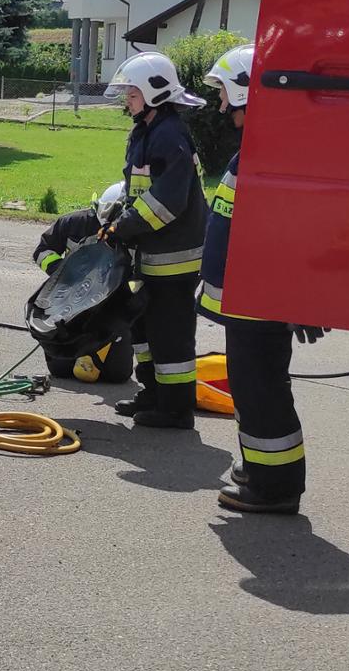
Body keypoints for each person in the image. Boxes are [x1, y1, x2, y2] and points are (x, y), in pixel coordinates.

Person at [198, 44, 323, 514]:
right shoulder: (264, 149)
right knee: (253, 389)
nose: (222, 105)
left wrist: (303, 298)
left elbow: (293, 235)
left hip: (261, 302)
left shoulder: (275, 154)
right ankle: (260, 467)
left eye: (227, 94)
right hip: (249, 301)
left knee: (262, 391)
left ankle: (275, 488)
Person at [101, 51, 208, 429]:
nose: (126, 101)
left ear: (155, 93)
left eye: (132, 94)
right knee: (144, 329)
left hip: (174, 259)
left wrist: (125, 227)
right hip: (151, 255)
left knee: (171, 336)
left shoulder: (169, 135)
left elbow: (167, 201)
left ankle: (176, 410)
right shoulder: (146, 130)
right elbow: (139, 191)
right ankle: (152, 395)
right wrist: (117, 219)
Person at [33, 182, 135, 384]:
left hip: (109, 311)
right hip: (68, 306)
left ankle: (96, 354)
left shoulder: (132, 233)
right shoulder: (73, 223)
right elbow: (42, 251)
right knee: (60, 370)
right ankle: (81, 355)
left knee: (117, 375)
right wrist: (63, 273)